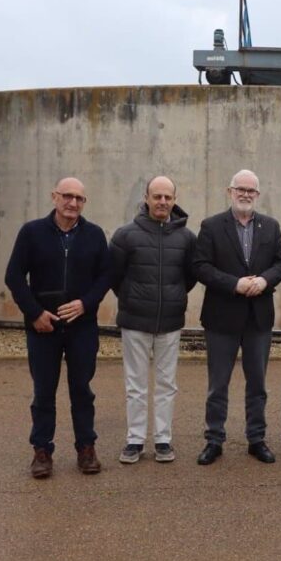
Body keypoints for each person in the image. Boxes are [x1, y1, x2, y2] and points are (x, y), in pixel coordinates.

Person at [5, 177, 111, 479]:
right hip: (44, 329)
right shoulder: (31, 233)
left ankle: (86, 448)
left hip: (82, 327)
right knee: (43, 392)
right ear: (55, 196)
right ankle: (41, 451)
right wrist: (35, 313)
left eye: (79, 198)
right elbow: (14, 277)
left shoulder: (94, 235)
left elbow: (105, 276)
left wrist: (85, 304)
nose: (73, 203)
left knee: (82, 390)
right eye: (67, 196)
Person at [193, 169, 281, 465]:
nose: (246, 194)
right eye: (240, 189)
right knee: (217, 384)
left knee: (257, 384)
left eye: (251, 190)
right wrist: (234, 284)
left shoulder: (270, 227)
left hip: (258, 318)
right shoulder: (210, 226)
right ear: (229, 191)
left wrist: (264, 281)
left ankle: (256, 438)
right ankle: (214, 439)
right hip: (222, 318)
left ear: (257, 195)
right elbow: (201, 266)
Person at [109, 176, 197, 465]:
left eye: (167, 197)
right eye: (157, 196)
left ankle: (162, 439)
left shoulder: (187, 238)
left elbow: (190, 277)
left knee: (166, 383)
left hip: (170, 321)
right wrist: (134, 297)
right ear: (146, 198)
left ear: (174, 199)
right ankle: (134, 440)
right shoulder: (125, 235)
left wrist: (171, 297)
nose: (162, 202)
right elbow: (115, 276)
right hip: (135, 320)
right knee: (135, 384)